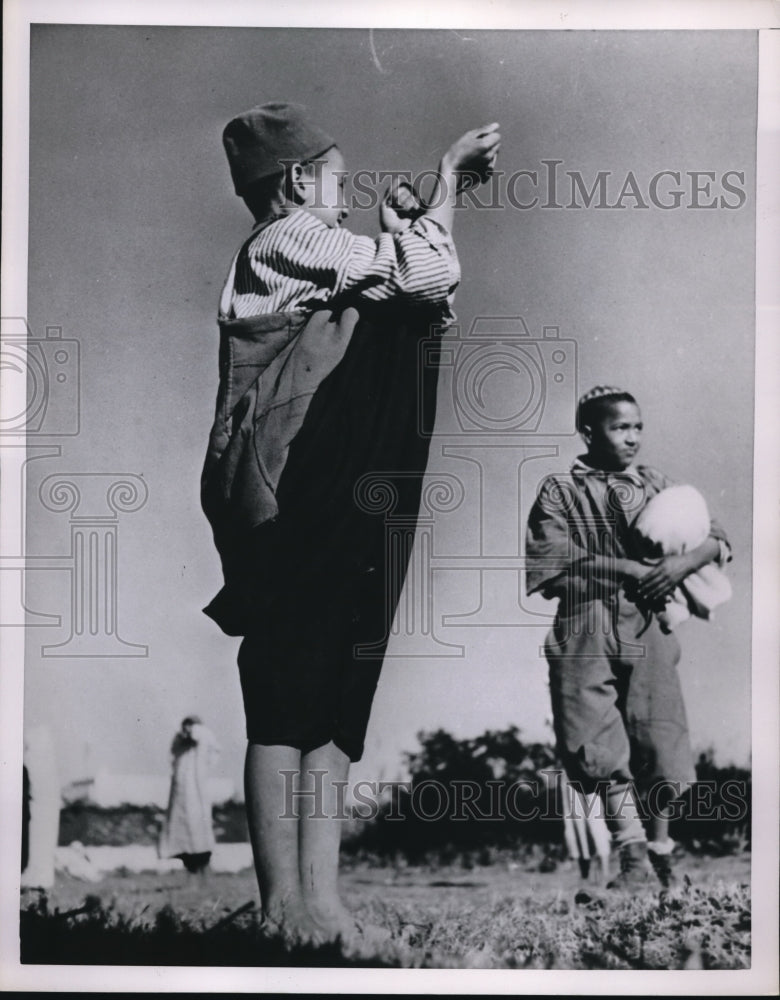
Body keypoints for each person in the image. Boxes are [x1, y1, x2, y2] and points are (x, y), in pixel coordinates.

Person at [202, 102, 500, 945]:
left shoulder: (334, 254)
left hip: (338, 487)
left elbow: (423, 293)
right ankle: (278, 910)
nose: (342, 192)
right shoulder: (285, 239)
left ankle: (320, 906)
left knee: (333, 705)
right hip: (294, 490)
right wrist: (438, 191)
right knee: (285, 698)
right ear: (295, 181)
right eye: (335, 177)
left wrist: (434, 209)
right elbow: (425, 278)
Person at [525, 385, 731, 889]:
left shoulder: (656, 482)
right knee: (597, 743)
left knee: (658, 739)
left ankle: (660, 852)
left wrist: (681, 562)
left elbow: (717, 537)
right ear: (589, 432)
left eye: (638, 426)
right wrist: (632, 569)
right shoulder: (559, 490)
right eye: (620, 428)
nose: (633, 438)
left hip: (647, 623)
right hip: (585, 626)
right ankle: (632, 858)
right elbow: (553, 562)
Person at [632, 483, 732, 632]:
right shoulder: (585, 488)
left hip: (654, 620)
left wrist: (687, 562)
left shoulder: (650, 478)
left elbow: (713, 532)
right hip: (613, 612)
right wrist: (630, 568)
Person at [159, 716, 221, 874]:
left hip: (196, 789)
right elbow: (172, 755)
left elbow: (206, 743)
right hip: (180, 789)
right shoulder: (179, 740)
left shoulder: (203, 734)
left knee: (198, 823)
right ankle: (190, 865)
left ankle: (202, 863)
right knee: (181, 827)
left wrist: (192, 732)